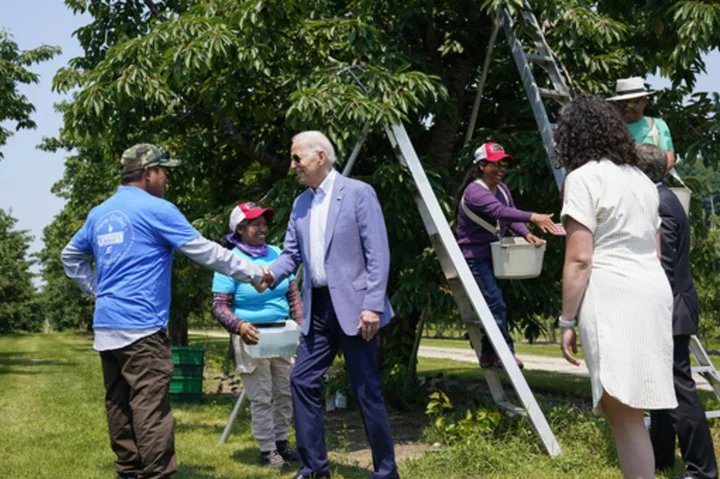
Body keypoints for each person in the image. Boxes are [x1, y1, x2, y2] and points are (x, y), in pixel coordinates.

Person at [61, 144, 272, 479]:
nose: (167, 179)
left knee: (119, 404)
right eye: (164, 171)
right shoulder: (158, 210)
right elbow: (206, 252)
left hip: (106, 328)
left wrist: (98, 292)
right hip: (142, 329)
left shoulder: (99, 213)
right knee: (150, 409)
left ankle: (128, 473)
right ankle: (158, 475)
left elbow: (70, 256)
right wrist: (256, 272)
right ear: (148, 173)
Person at [264, 131, 398, 479]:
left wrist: (373, 305)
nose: (292, 165)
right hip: (318, 309)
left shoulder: (358, 193)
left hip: (356, 309)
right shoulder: (300, 204)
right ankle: (314, 469)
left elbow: (378, 253)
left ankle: (386, 472)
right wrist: (266, 275)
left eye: (297, 158)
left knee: (366, 390)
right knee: (302, 381)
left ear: (320, 157)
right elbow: (290, 256)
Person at [556, 96, 677, 479]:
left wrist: (566, 320)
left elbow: (579, 259)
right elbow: (654, 251)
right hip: (653, 291)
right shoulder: (641, 179)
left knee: (622, 412)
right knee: (630, 411)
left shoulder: (582, 178)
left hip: (612, 293)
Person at [635, 144, 718, 479]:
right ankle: (661, 459)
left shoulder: (661, 206)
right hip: (668, 308)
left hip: (669, 310)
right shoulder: (662, 199)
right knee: (659, 386)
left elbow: (663, 268)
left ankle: (701, 470)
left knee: (680, 389)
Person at [210, 201, 303, 470]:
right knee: (261, 395)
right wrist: (239, 326)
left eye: (264, 222)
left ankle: (282, 441)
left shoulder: (277, 253)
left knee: (285, 392)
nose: (263, 228)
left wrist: (300, 326)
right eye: (256, 223)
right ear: (240, 229)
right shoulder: (230, 262)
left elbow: (292, 294)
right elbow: (219, 305)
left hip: (283, 334)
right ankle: (267, 450)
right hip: (251, 336)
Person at [454, 142, 560, 369]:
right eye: (496, 163)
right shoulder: (475, 191)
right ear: (481, 165)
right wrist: (533, 217)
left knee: (495, 305)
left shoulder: (502, 189)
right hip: (474, 256)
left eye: (504, 163)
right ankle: (505, 352)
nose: (502, 168)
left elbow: (509, 219)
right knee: (495, 304)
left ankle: (489, 355)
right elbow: (498, 212)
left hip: (495, 254)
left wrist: (527, 234)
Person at [609, 76, 676, 171]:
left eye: (631, 103)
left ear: (644, 101)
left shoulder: (657, 125)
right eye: (621, 103)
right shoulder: (610, 128)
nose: (627, 108)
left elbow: (668, 161)